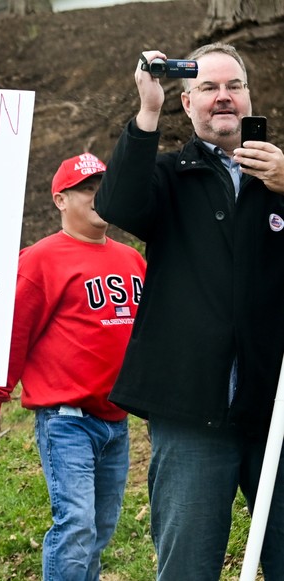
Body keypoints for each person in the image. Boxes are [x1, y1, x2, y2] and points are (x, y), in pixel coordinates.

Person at [93, 43, 284, 580]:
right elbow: (117, 206)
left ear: (249, 97)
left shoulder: (281, 176)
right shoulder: (169, 175)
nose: (223, 97)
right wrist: (146, 111)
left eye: (234, 87)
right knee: (187, 568)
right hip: (193, 412)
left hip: (277, 413)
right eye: (208, 88)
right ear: (187, 100)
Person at [0, 153, 146, 580]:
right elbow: (13, 332)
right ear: (60, 200)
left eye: (103, 187)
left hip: (116, 420)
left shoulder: (132, 259)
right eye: (87, 189)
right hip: (67, 421)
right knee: (77, 524)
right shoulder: (40, 260)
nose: (97, 196)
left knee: (100, 529)